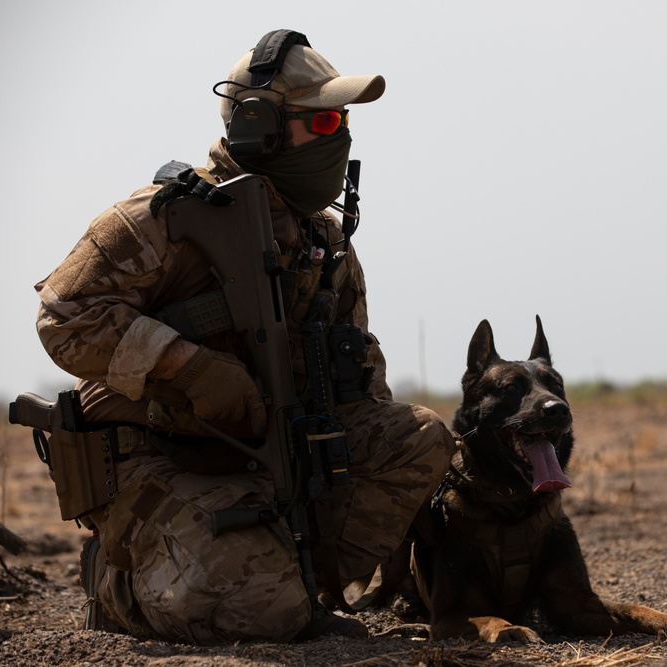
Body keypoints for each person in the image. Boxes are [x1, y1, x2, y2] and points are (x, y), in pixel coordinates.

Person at [33, 30, 455, 644]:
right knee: (263, 610)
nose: (340, 136)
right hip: (165, 459)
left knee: (417, 438)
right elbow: (64, 317)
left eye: (342, 120)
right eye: (326, 119)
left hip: (274, 453)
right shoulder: (162, 220)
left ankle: (298, 586)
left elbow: (360, 376)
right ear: (260, 128)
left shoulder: (326, 241)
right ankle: (121, 584)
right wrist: (188, 367)